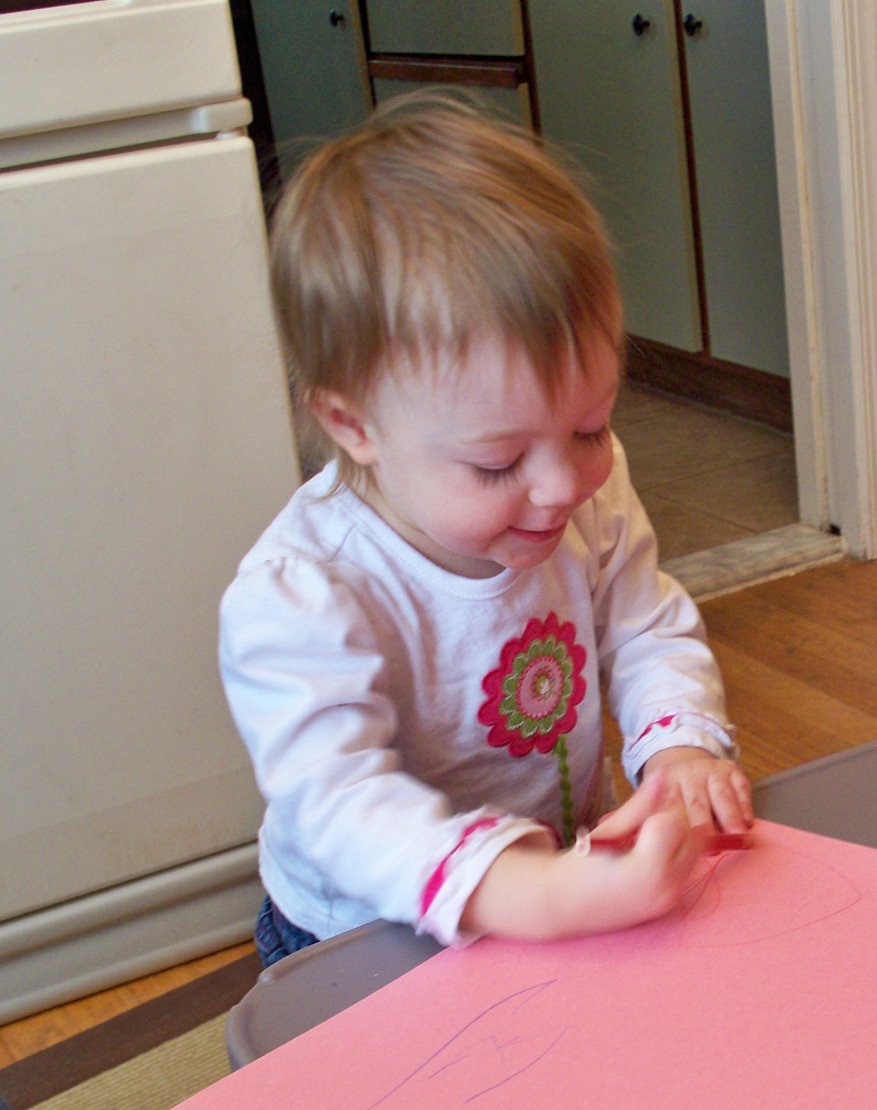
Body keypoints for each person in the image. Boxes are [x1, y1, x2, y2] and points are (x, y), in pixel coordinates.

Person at [221, 94, 752, 967]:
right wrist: (537, 893)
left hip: (560, 879)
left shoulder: (582, 489)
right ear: (353, 425)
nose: (562, 486)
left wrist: (680, 747)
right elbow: (340, 805)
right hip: (364, 937)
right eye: (498, 463)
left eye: (591, 426)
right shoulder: (303, 590)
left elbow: (644, 627)